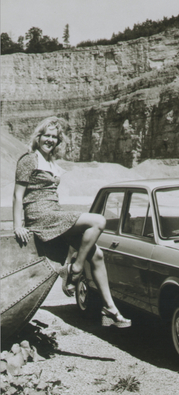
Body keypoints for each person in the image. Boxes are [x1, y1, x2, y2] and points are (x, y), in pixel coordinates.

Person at [13, 116, 131, 329]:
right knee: (98, 221)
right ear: (38, 137)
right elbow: (17, 195)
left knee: (97, 255)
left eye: (54, 137)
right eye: (46, 136)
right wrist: (17, 225)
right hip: (40, 215)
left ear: (58, 141)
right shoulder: (29, 159)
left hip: (54, 212)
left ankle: (110, 309)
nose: (50, 140)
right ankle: (75, 269)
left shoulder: (51, 162)